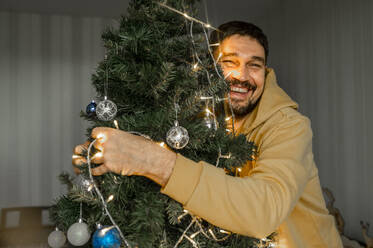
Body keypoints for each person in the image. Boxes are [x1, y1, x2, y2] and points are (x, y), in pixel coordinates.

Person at [73, 21, 343, 247]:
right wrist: (104, 156)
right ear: (208, 70)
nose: (242, 76)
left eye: (254, 65)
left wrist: (151, 160)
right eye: (230, 62)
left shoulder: (289, 126)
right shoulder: (199, 118)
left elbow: (264, 211)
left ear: (266, 70)